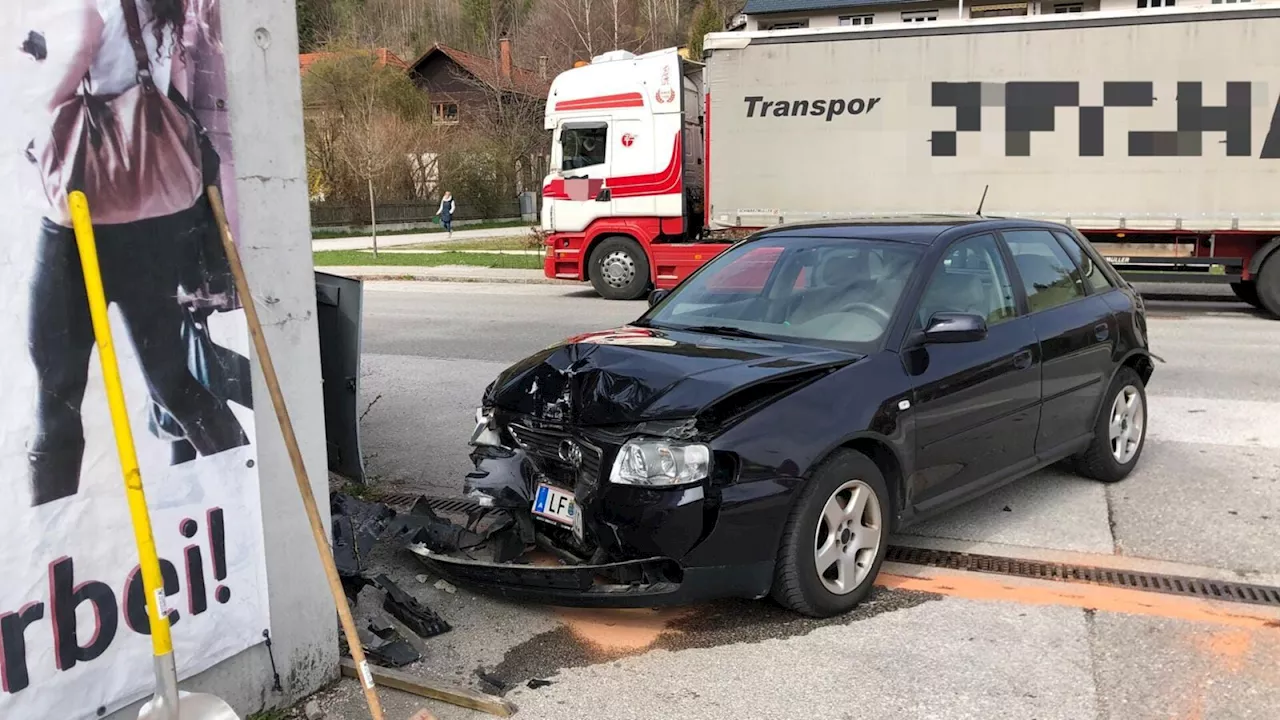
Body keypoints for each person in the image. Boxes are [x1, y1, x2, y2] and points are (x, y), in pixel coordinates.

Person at [26, 0, 250, 506]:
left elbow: (74, 49)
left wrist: (42, 87)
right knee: (170, 377)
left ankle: (51, 538)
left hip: (82, 219)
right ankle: (241, 493)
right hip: (150, 217)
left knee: (55, 397)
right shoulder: (161, 6)